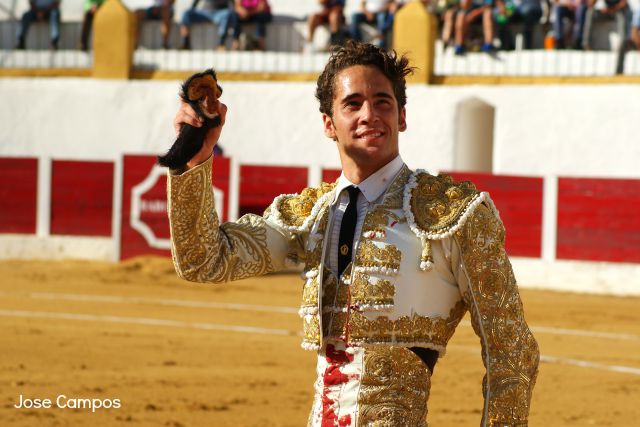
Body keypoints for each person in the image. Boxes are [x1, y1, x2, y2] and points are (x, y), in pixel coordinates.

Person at [165, 41, 540, 425]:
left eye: (382, 102)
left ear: (402, 116)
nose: (369, 115)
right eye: (353, 103)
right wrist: (194, 162)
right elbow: (204, 262)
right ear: (329, 123)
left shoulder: (453, 214)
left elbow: (511, 349)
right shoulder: (310, 215)